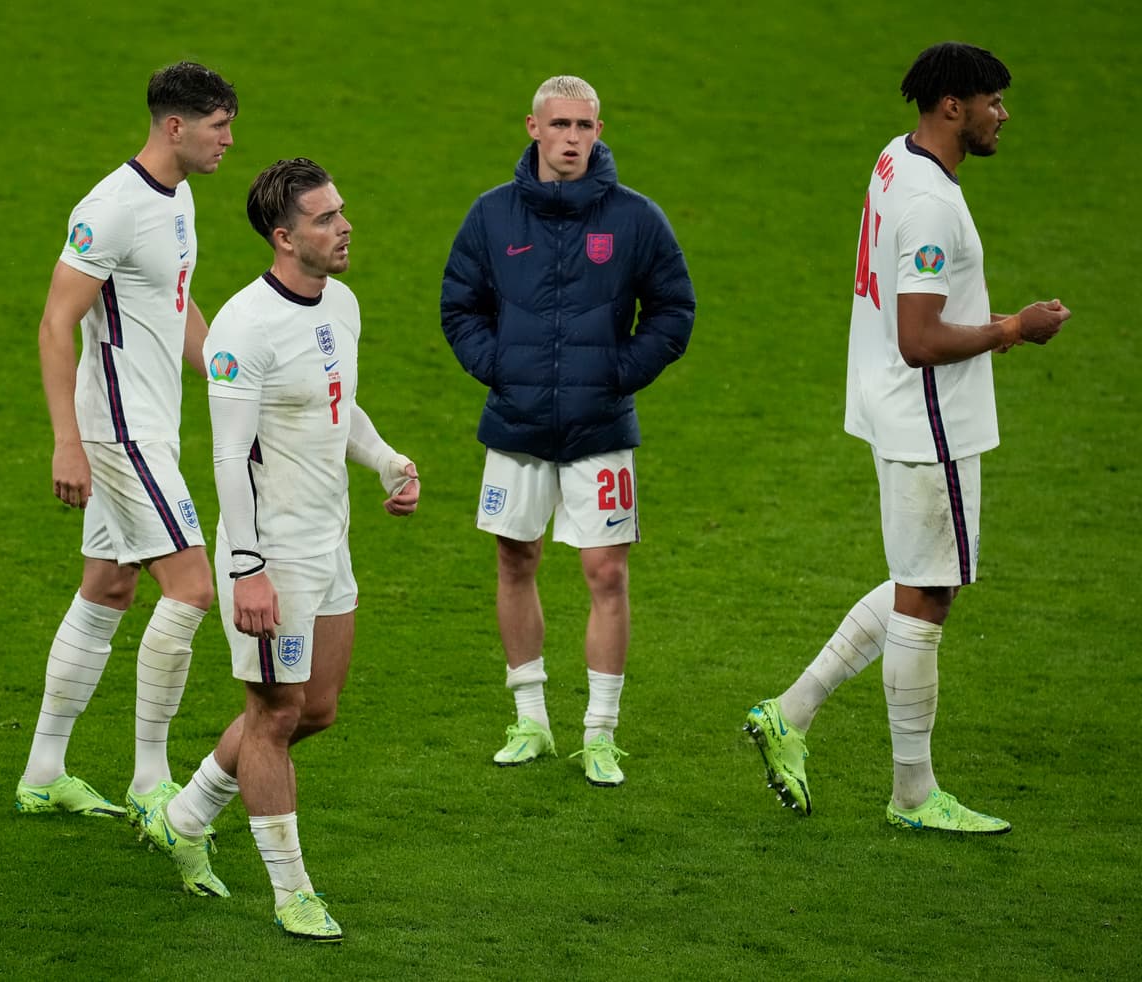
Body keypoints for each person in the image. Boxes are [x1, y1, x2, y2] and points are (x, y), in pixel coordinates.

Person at [745, 41, 1071, 834]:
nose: (1003, 114)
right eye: (992, 100)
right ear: (952, 106)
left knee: (918, 580)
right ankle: (913, 795)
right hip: (929, 416)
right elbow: (919, 336)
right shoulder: (929, 203)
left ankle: (790, 713)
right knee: (928, 596)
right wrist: (1013, 329)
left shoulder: (895, 157)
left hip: (892, 406)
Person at [140, 158, 420, 942]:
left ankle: (186, 814)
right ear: (283, 235)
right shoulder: (241, 330)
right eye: (326, 218)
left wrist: (387, 460)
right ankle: (292, 891)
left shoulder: (343, 304)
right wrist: (247, 569)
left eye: (342, 212)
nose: (344, 227)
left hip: (329, 538)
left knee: (316, 709)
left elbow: (338, 401)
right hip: (271, 554)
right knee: (273, 714)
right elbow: (228, 457)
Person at [441, 76, 695, 787]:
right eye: (560, 125)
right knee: (515, 560)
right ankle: (530, 720)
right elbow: (459, 304)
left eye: (585, 125)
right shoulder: (492, 216)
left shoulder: (636, 219)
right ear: (533, 128)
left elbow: (674, 309)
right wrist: (501, 369)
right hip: (517, 423)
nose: (573, 138)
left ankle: (601, 733)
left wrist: (618, 372)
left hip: (601, 425)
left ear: (599, 129)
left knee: (605, 572)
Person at [15, 62, 237, 824]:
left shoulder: (177, 199)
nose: (229, 141)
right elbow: (53, 323)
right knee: (193, 588)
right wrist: (66, 443)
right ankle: (151, 782)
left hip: (149, 427)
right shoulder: (110, 208)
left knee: (109, 587)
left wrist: (230, 373)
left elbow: (173, 300)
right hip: (118, 431)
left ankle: (43, 771)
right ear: (175, 126)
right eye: (219, 126)